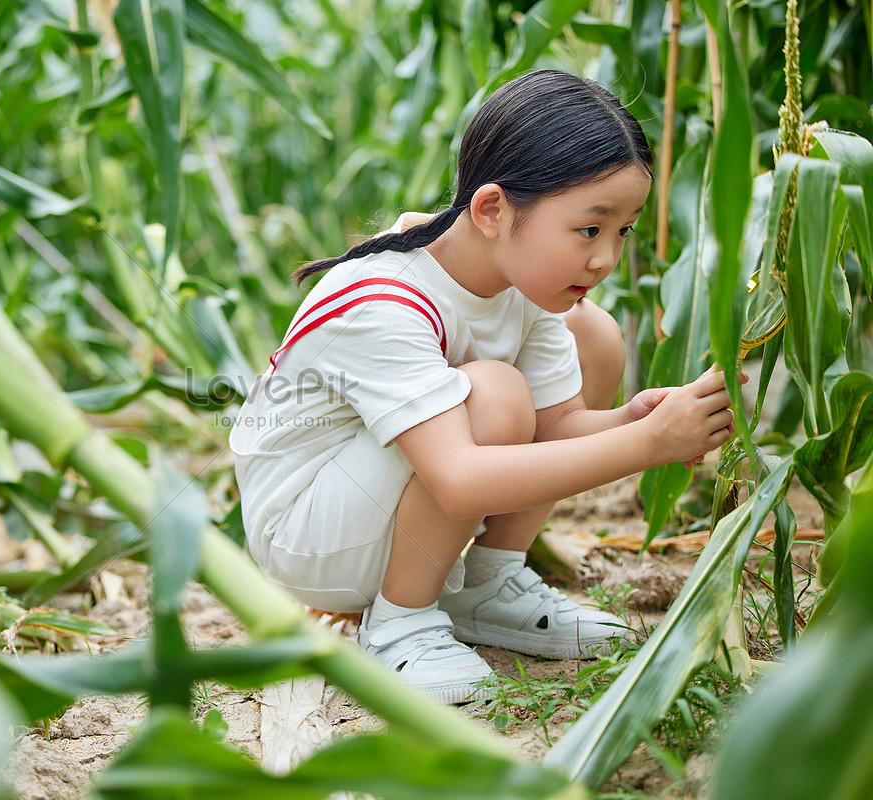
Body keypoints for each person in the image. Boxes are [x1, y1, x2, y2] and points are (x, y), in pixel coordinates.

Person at [228, 70, 741, 704]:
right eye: (589, 229)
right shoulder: (385, 299)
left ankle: (487, 588)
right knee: (495, 393)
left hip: (399, 510)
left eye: (622, 231)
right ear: (493, 210)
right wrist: (650, 446)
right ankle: (400, 623)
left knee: (595, 337)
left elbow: (554, 433)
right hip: (312, 537)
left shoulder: (519, 284)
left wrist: (638, 420)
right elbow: (463, 478)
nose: (607, 258)